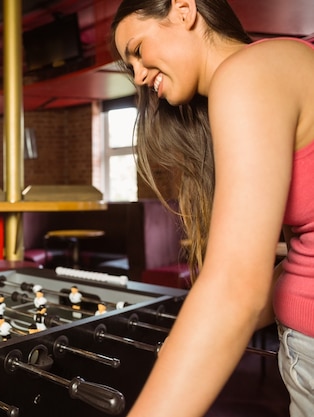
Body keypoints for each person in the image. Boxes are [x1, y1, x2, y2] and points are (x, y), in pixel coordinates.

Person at [110, 1, 314, 417]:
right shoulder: (290, 59)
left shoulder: (249, 72)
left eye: (137, 50)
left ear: (183, 10)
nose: (138, 76)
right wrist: (192, 339)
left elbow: (236, 286)